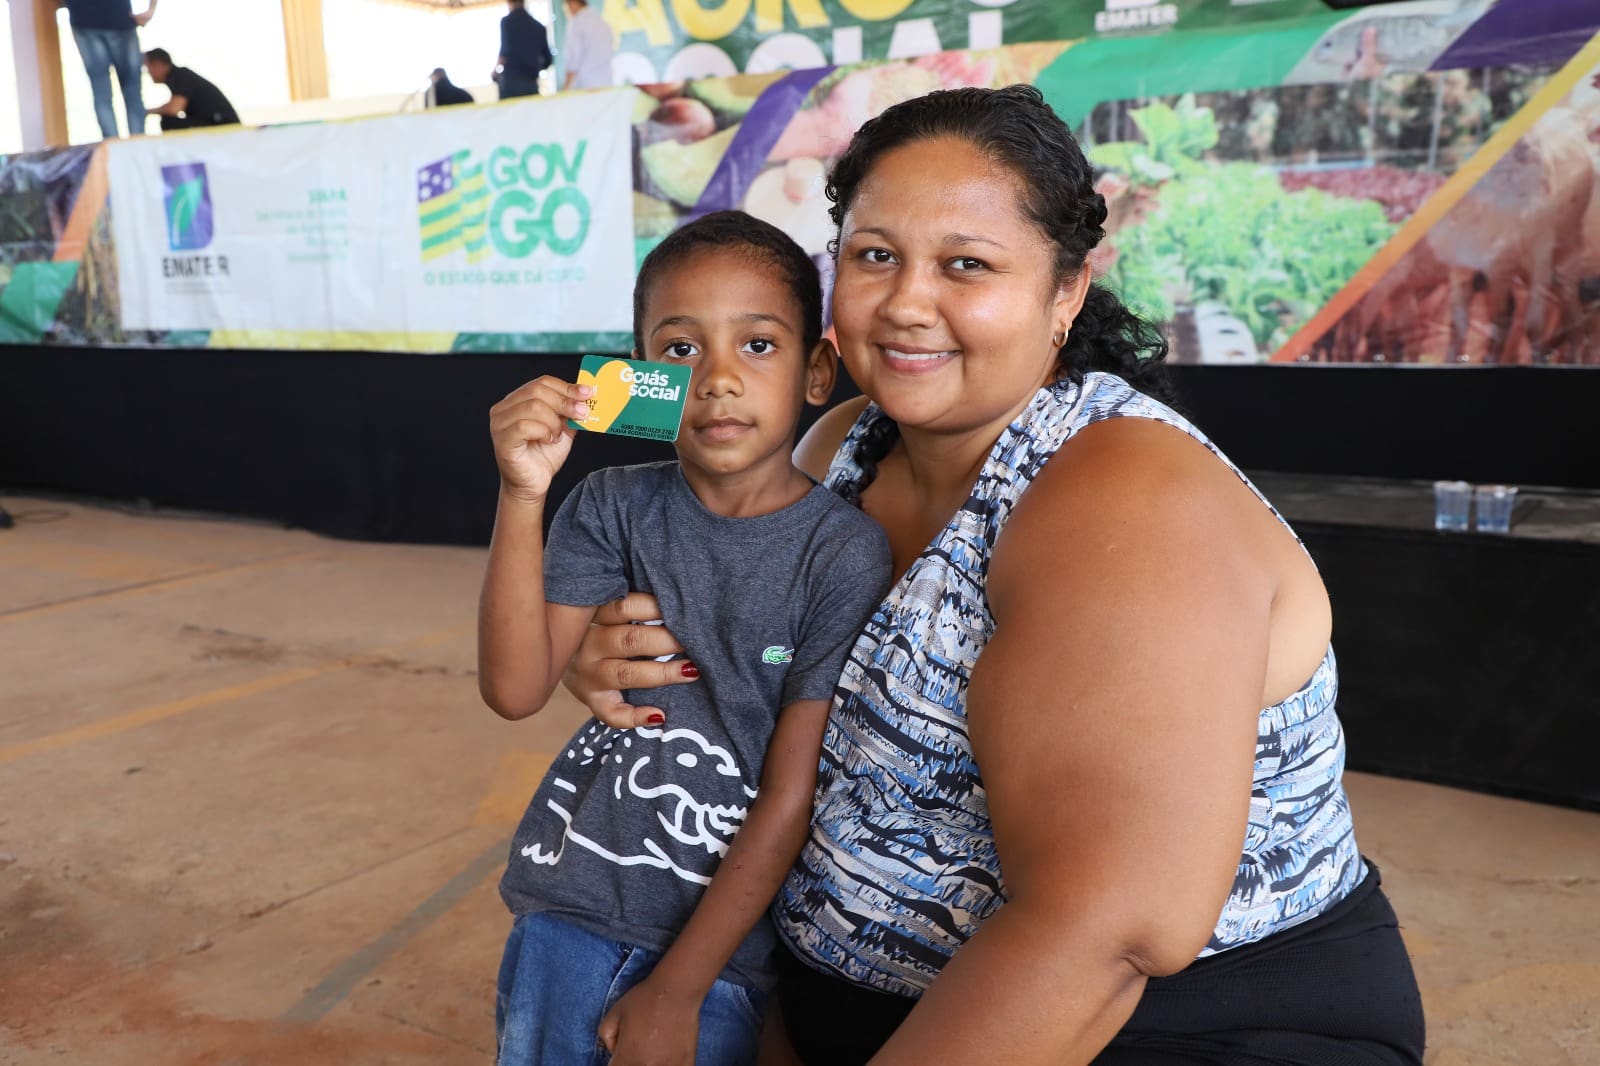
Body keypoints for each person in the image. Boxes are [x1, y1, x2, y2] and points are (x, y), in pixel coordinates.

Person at [563, 85, 1428, 1064]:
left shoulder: (1121, 494)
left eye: (964, 265)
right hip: (842, 1004)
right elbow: (738, 685)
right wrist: (614, 654)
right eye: (873, 254)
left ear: (1064, 291)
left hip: (1174, 1029)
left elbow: (1105, 931)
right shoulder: (840, 447)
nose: (902, 303)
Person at [479, 211, 893, 1066]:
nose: (716, 379)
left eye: (759, 346)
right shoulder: (608, 505)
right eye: (679, 350)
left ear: (817, 370)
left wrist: (682, 983)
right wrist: (523, 495)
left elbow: (791, 794)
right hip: (566, 914)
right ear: (639, 377)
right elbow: (516, 689)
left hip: (719, 957)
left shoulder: (843, 552)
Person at [60, 0, 155, 139]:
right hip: (116, 20)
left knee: (102, 92)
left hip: (86, 20)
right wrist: (151, 9)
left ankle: (113, 144)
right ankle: (136, 142)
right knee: (131, 91)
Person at [143, 48, 239, 130]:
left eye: (149, 67)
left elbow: (174, 109)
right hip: (215, 123)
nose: (148, 73)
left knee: (168, 122)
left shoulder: (180, 76)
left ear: (158, 64)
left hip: (222, 124)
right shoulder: (178, 77)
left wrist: (146, 111)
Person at [495, 0, 552, 100]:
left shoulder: (507, 22)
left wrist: (495, 70)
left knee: (508, 113)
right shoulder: (539, 27)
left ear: (509, 2)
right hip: (531, 83)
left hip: (511, 83)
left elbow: (505, 51)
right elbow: (548, 60)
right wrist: (534, 66)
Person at [560, 0, 614, 92]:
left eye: (566, 7)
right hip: (606, 84)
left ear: (572, 2)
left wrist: (565, 89)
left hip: (585, 86)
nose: (567, 11)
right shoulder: (602, 22)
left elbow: (573, 60)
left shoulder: (576, 23)